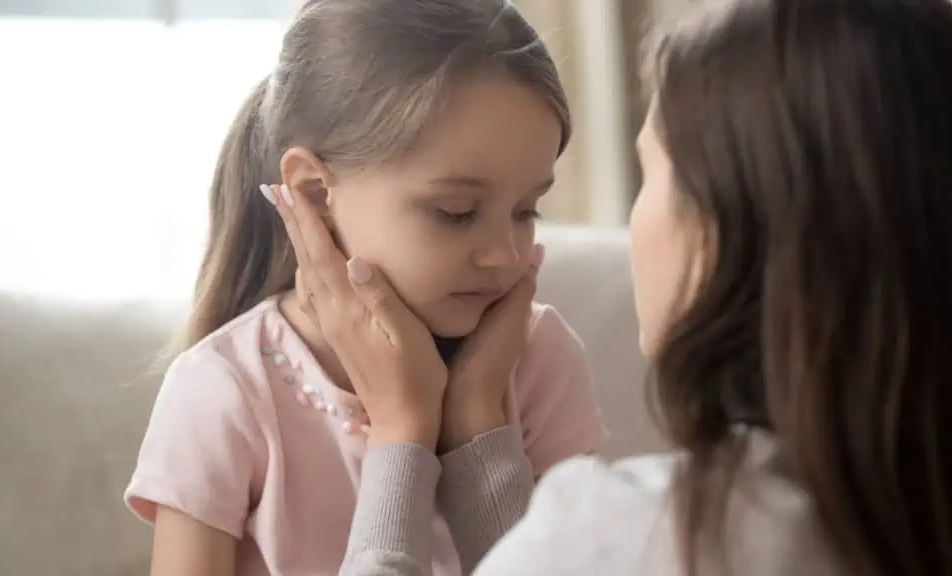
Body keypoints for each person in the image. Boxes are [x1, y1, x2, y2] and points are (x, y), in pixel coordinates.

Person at [276, 0, 952, 574]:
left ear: (720, 230)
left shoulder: (637, 536)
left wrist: (406, 428)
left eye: (653, 174)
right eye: (458, 211)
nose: (505, 253)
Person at [122, 1, 608, 574]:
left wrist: (479, 422)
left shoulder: (537, 360)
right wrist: (404, 432)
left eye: (527, 211)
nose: (503, 253)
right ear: (315, 192)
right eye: (456, 211)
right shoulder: (224, 390)